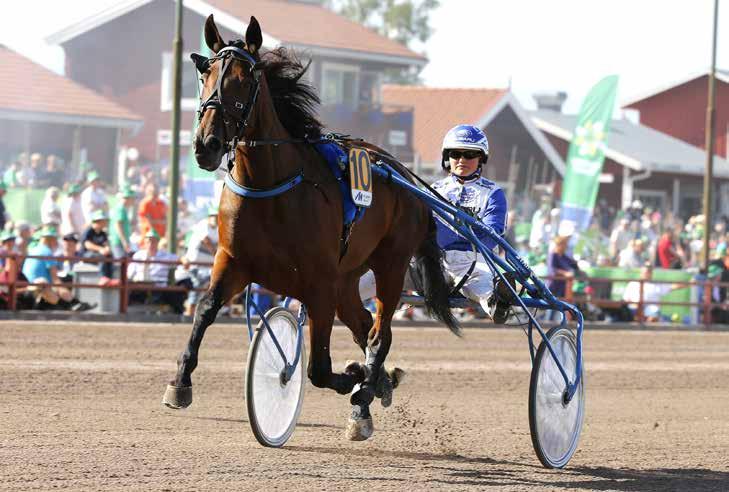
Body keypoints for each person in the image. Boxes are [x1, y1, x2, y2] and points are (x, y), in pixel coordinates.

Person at [359, 124, 512, 323]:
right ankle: (335, 296)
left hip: (472, 262)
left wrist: (455, 231)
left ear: (481, 158)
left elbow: (493, 235)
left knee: (482, 285)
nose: (461, 160)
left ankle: (498, 304)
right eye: (455, 154)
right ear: (446, 157)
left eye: (469, 155)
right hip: (431, 263)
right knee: (376, 274)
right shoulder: (432, 190)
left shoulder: (493, 193)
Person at [21, 226, 92, 311]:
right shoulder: (47, 252)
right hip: (38, 291)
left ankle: (71, 305)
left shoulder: (34, 250)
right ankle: (73, 305)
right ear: (50, 239)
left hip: (29, 289)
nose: (56, 242)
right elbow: (56, 280)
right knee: (60, 284)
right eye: (55, 239)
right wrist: (73, 300)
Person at [127, 228, 186, 314]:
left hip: (160, 287)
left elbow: (180, 259)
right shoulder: (138, 255)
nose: (151, 243)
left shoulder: (165, 255)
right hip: (140, 287)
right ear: (145, 243)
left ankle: (178, 318)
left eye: (153, 241)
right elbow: (130, 274)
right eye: (148, 241)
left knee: (175, 295)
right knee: (126, 291)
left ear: (158, 242)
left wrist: (184, 260)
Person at [179, 205, 219, 316]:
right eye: (212, 216)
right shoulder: (202, 225)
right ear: (208, 217)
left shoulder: (219, 228)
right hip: (194, 266)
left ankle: (223, 311)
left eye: (216, 216)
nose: (214, 219)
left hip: (208, 267)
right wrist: (217, 256)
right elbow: (207, 241)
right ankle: (189, 312)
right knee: (199, 283)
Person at [80, 210, 114, 282]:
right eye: (102, 221)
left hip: (98, 254)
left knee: (110, 256)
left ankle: (109, 278)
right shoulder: (89, 231)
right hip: (86, 255)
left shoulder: (103, 233)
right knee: (102, 257)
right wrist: (100, 249)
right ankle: (103, 278)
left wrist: (107, 249)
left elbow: (106, 244)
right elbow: (87, 245)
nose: (104, 223)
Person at [547, 234, 580, 299]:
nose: (566, 246)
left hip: (564, 287)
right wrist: (565, 273)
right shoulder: (553, 255)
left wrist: (575, 262)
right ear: (559, 244)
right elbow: (552, 269)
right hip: (554, 286)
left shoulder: (565, 257)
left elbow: (575, 267)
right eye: (564, 244)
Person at [109, 186, 137, 259]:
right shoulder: (120, 209)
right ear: (128, 199)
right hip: (118, 241)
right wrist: (124, 241)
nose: (134, 201)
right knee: (120, 261)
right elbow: (118, 225)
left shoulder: (123, 209)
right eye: (133, 199)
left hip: (121, 241)